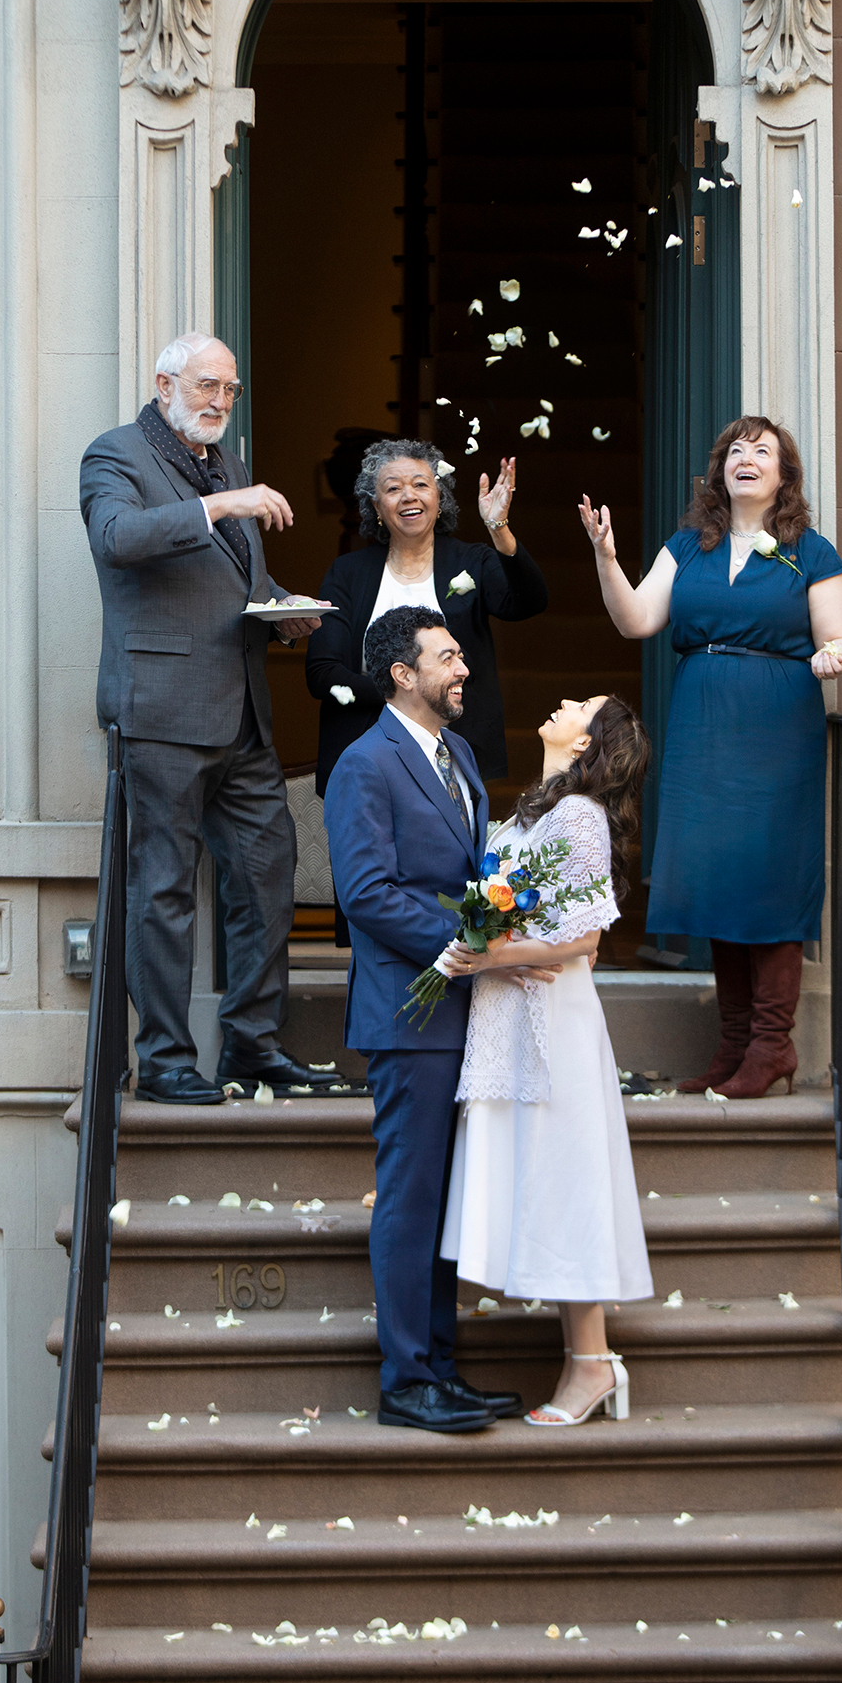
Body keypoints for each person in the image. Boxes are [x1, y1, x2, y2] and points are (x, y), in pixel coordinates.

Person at [323, 604, 562, 1434]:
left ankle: (442, 1370)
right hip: (408, 1014)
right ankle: (404, 1381)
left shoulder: (456, 752)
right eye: (448, 657)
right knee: (411, 1198)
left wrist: (506, 907)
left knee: (445, 1199)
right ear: (402, 673)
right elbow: (365, 894)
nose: (464, 670)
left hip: (466, 1010)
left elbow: (472, 867)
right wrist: (469, 940)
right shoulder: (364, 764)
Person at [80, 331, 328, 1106]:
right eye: (206, 387)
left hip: (243, 715)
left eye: (230, 390)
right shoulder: (114, 455)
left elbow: (237, 575)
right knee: (162, 892)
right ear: (164, 383)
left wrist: (281, 607)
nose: (220, 401)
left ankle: (251, 1047)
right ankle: (163, 1062)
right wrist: (221, 502)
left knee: (266, 878)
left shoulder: (223, 462)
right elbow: (116, 539)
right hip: (159, 712)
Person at [579, 416, 842, 1100]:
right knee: (717, 882)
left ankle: (772, 1045)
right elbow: (636, 620)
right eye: (735, 449)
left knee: (768, 878)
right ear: (719, 472)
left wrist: (830, 657)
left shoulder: (810, 552)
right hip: (703, 726)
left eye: (761, 450)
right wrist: (606, 556)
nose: (745, 457)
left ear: (783, 475)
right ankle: (735, 1048)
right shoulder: (686, 547)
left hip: (775, 727)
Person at [438, 693, 654, 1427]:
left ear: (588, 739)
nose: (558, 702)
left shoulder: (579, 818)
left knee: (565, 1176)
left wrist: (491, 956)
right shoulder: (534, 811)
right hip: (508, 1012)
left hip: (552, 1021)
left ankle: (590, 1363)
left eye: (577, 705)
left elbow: (585, 941)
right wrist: (489, 958)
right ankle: (585, 1358)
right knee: (541, 1173)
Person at [305, 438, 547, 803]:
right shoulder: (348, 572)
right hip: (365, 751)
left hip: (456, 751)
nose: (408, 496)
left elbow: (529, 602)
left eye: (420, 484)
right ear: (376, 505)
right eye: (393, 488)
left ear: (439, 497)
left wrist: (498, 527)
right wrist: (407, 697)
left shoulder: (472, 561)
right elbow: (323, 673)